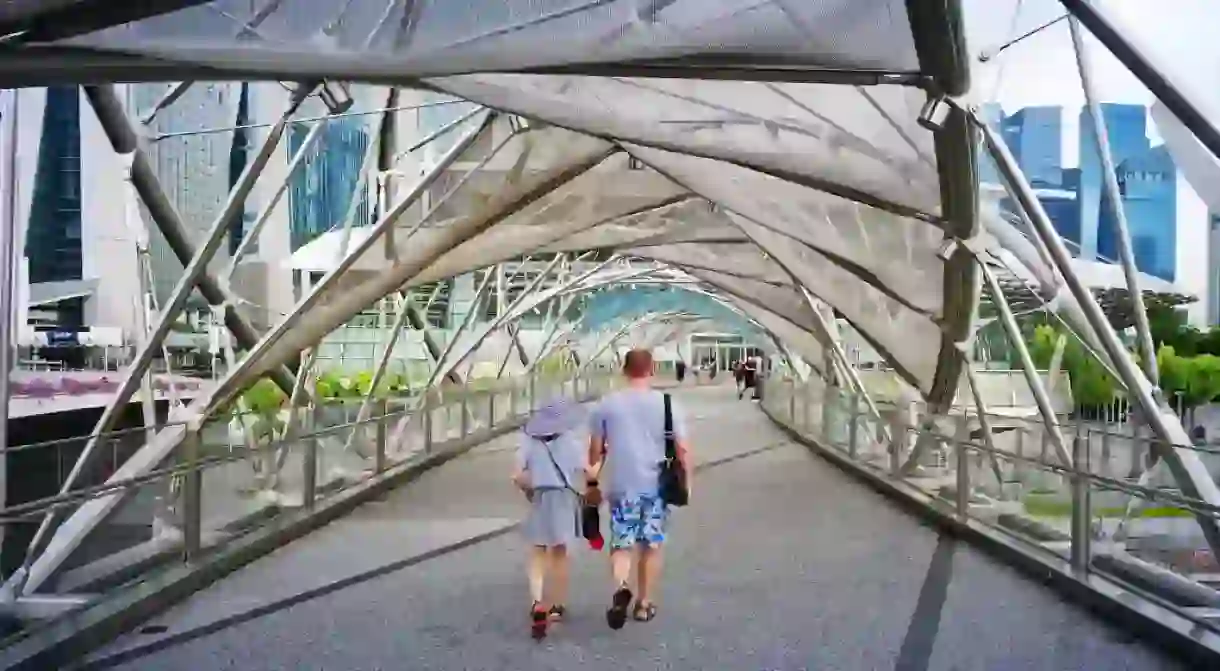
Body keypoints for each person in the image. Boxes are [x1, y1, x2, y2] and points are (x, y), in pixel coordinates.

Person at [586, 349, 692, 629]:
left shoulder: (606, 405)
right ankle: (644, 604)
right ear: (652, 369)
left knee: (621, 544)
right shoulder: (668, 404)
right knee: (651, 545)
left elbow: (595, 452)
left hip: (622, 486)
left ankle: (622, 586)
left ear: (624, 370)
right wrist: (687, 481)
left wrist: (592, 481)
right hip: (656, 486)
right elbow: (682, 449)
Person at [512, 399, 589, 640]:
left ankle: (537, 602)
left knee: (537, 552)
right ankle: (556, 606)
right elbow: (588, 469)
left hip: (541, 496)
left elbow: (516, 475)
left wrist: (529, 490)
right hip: (564, 498)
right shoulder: (569, 441)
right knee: (559, 553)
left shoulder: (528, 441)